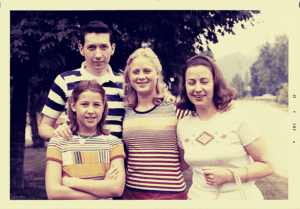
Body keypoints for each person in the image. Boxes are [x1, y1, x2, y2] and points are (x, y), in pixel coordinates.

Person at [176, 55, 274, 200]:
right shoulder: (183, 125)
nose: (197, 88)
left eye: (204, 81)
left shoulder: (238, 118)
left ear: (215, 84)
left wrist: (229, 175)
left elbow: (267, 165)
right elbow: (181, 165)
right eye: (191, 82)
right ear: (185, 86)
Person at [121, 47, 189, 200]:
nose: (141, 76)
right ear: (129, 77)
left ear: (157, 73)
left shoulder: (176, 108)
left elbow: (186, 159)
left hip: (171, 194)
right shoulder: (125, 110)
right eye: (135, 72)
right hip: (131, 194)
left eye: (147, 71)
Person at [38, 20, 124, 141]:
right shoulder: (64, 81)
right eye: (91, 47)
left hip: (115, 158)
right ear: (81, 49)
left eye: (104, 47)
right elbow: (44, 127)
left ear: (112, 48)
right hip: (76, 157)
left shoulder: (126, 84)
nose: (98, 54)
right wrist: (58, 133)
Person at [45, 80, 125, 200]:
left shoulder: (113, 143)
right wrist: (102, 190)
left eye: (97, 104)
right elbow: (53, 192)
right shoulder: (58, 143)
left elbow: (116, 189)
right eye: (84, 104)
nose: (91, 110)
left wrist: (71, 182)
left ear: (103, 106)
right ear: (73, 106)